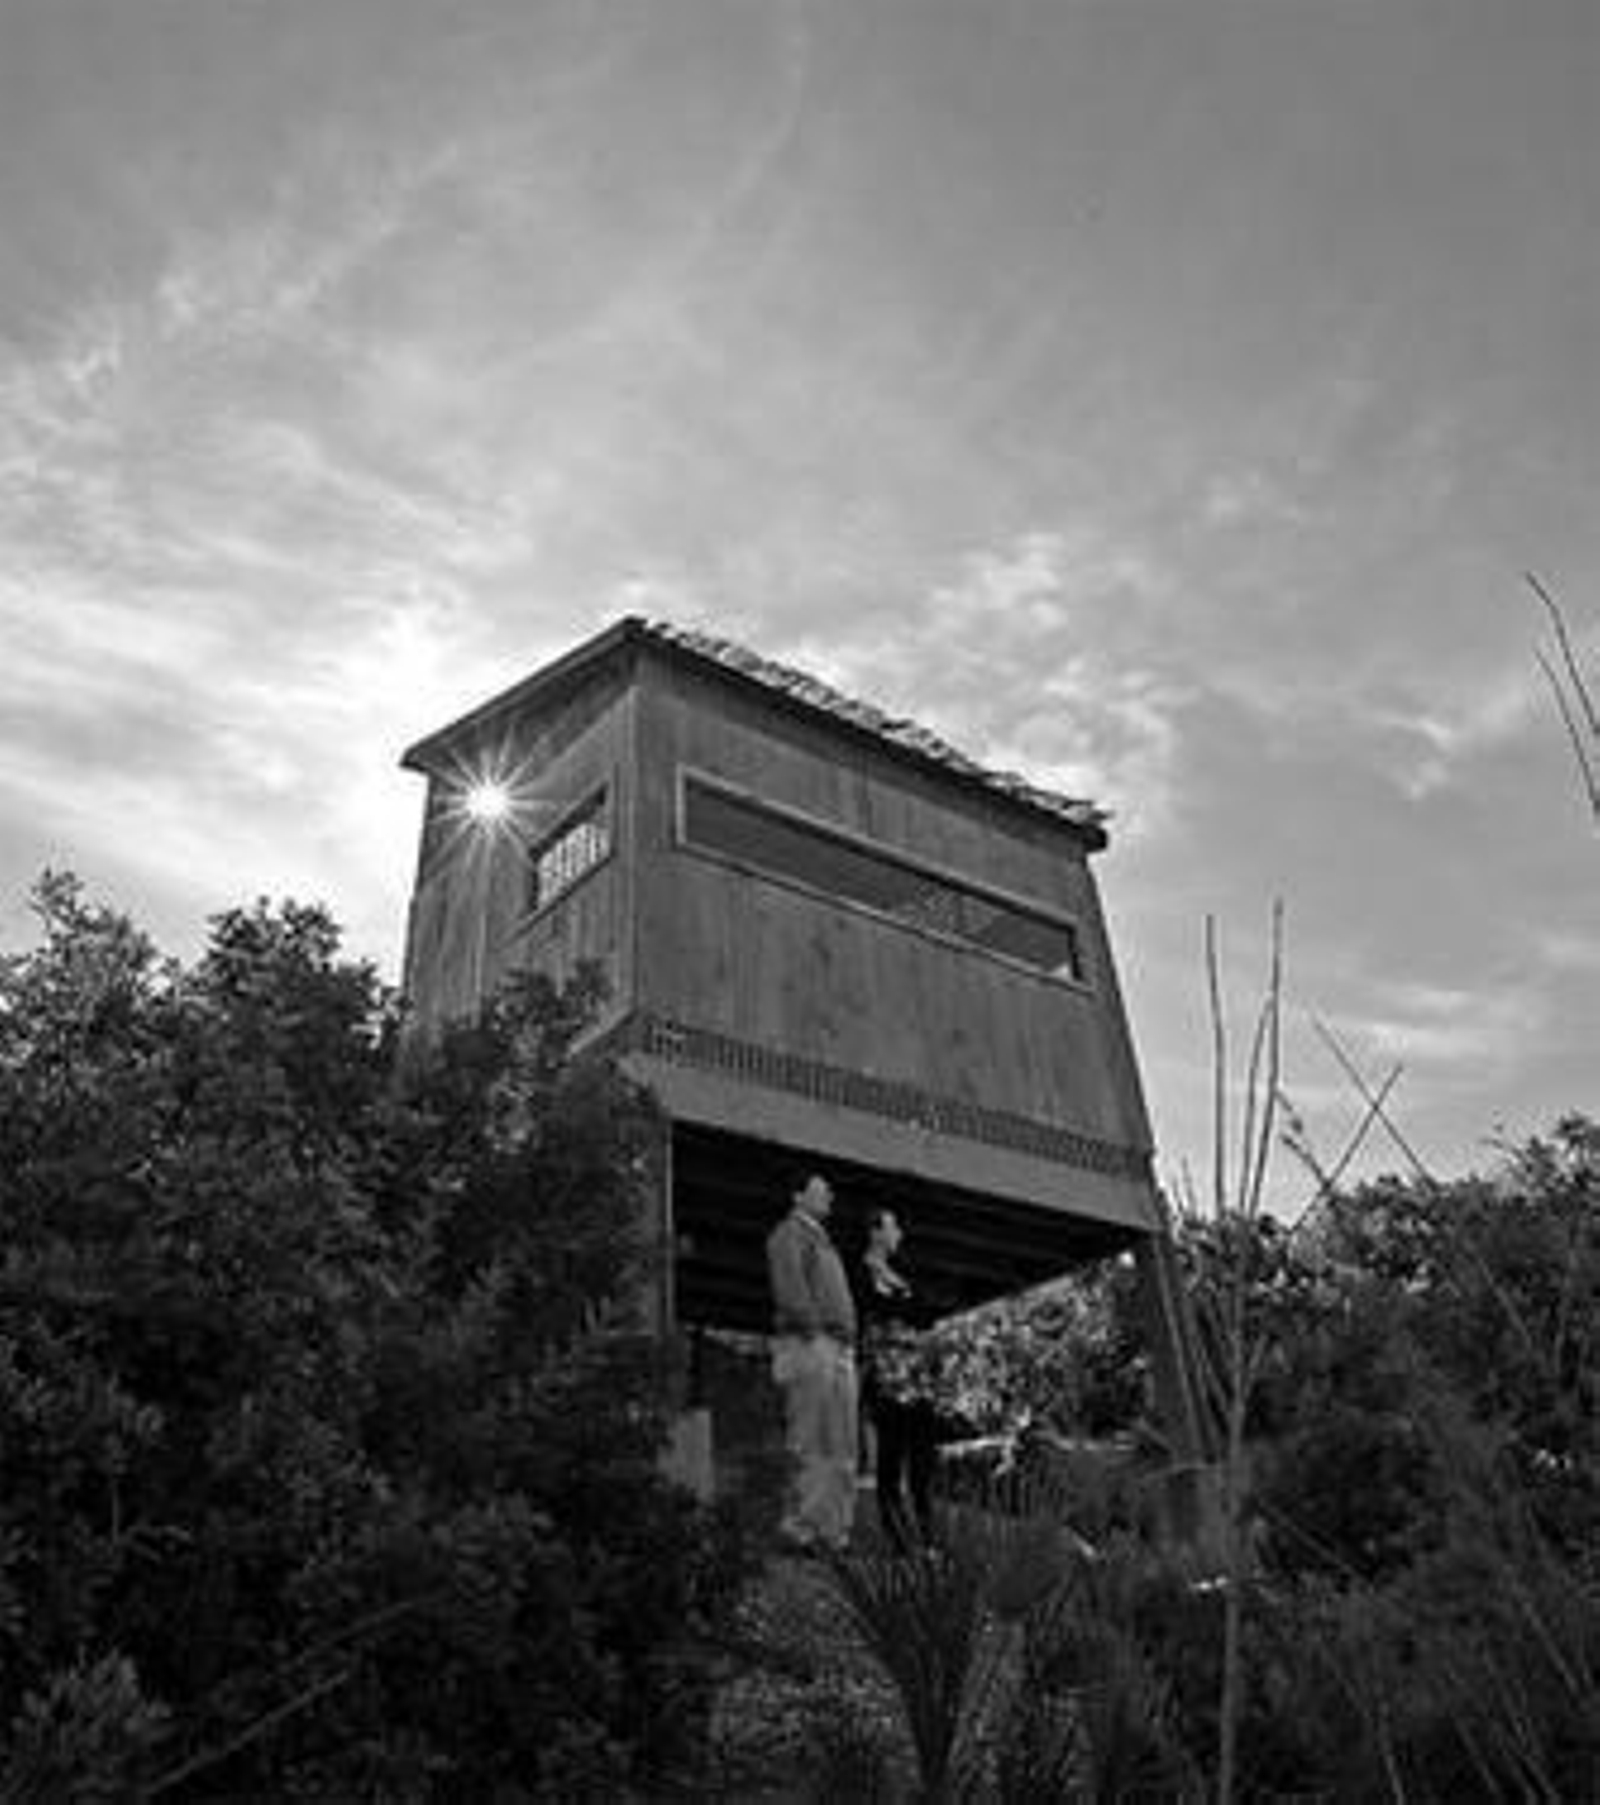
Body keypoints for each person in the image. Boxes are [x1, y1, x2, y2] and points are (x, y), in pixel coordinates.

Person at [765, 1170, 859, 1552]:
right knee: (808, 1439)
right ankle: (799, 1529)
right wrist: (813, 1331)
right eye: (822, 1189)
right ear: (798, 1195)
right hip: (812, 1343)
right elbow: (790, 1289)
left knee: (842, 1444)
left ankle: (834, 1533)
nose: (830, 1196)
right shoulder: (788, 1234)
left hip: (838, 1346)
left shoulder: (823, 1241)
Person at [857, 1206, 942, 1551]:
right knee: (890, 1463)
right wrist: (903, 1309)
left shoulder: (901, 1273)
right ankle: (899, 1543)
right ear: (876, 1232)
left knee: (922, 1462)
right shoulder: (859, 1271)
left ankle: (928, 1536)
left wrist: (902, 1309)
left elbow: (926, 1317)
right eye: (894, 1227)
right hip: (885, 1380)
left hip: (916, 1381)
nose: (900, 1234)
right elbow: (875, 1311)